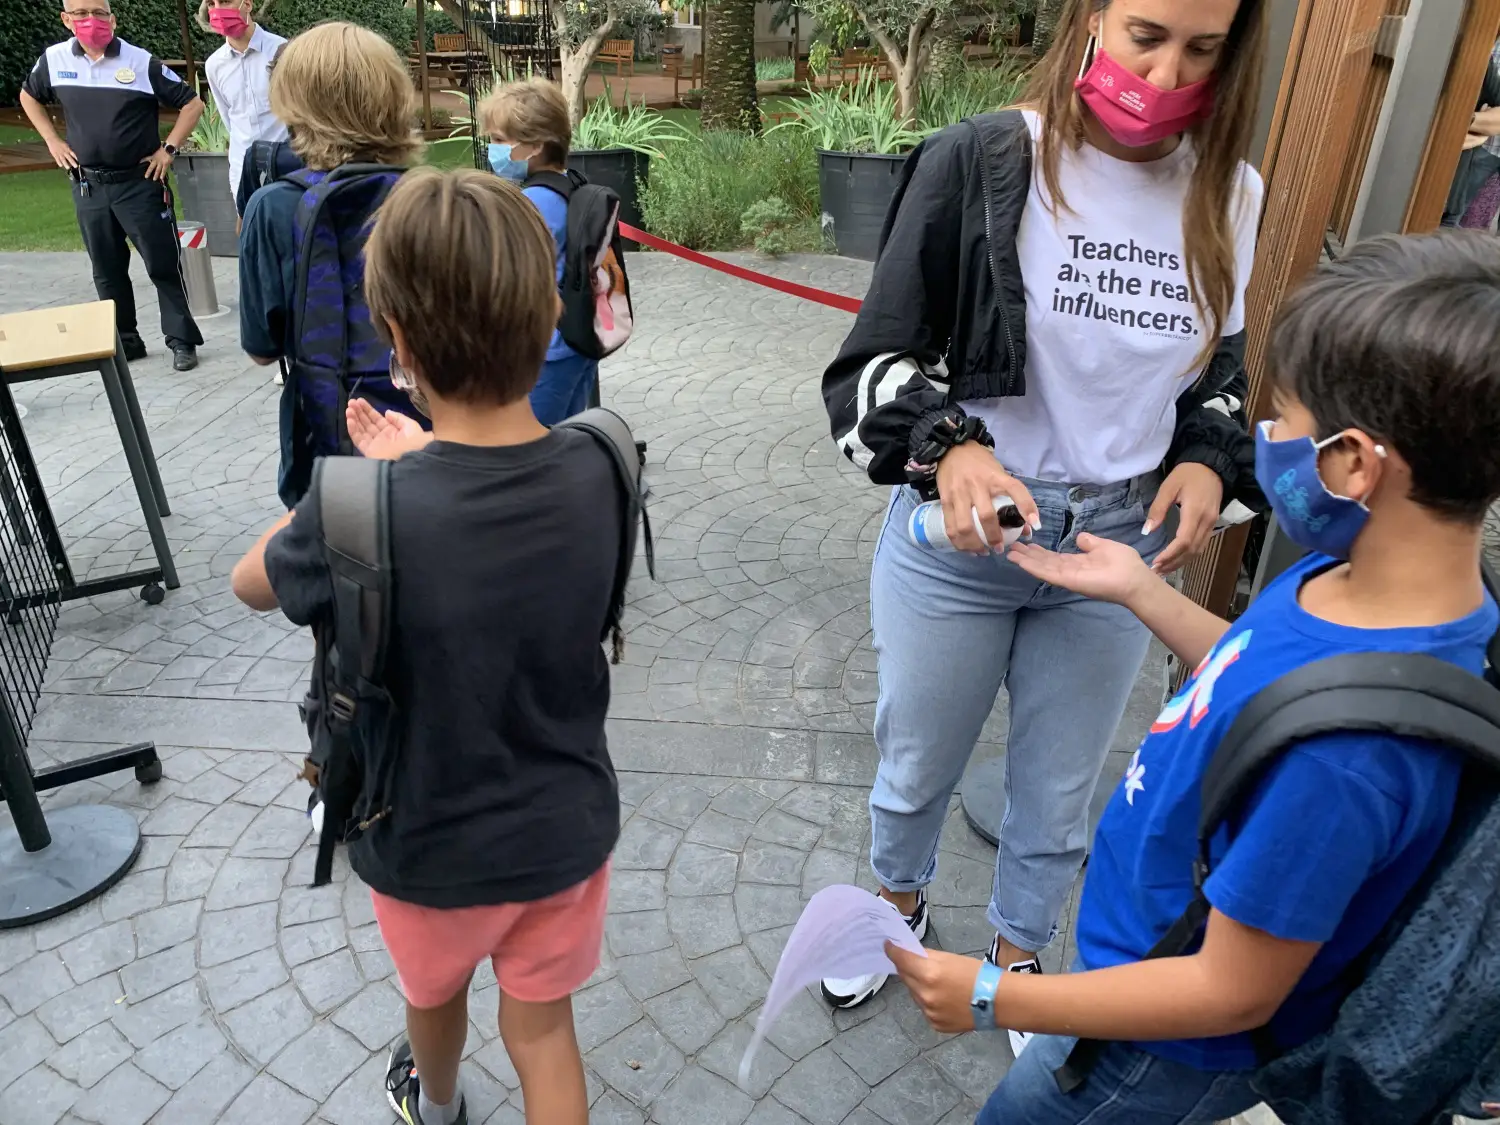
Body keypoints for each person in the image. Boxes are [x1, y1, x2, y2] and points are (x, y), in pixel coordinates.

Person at [886, 229, 1500, 1125]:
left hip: (1147, 1048)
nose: (1261, 439)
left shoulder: (1351, 761)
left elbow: (1228, 991)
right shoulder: (1368, 584)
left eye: (1279, 420)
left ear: (1354, 462)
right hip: (1138, 968)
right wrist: (1142, 591)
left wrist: (994, 996)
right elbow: (1270, 676)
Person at [816, 0, 1266, 1057]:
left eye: (1201, 50)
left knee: (1062, 791)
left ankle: (1020, 964)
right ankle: (895, 911)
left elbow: (1225, 380)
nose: (1163, 73)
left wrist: (1205, 459)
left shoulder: (1229, 193)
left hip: (1118, 552)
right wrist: (953, 443)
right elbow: (866, 369)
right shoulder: (980, 160)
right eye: (1145, 34)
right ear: (1092, 18)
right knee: (916, 761)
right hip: (963, 546)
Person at [229, 168, 623, 1125]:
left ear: (395, 338)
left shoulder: (358, 507)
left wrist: (363, 487)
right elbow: (494, 510)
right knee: (544, 1032)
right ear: (549, 315)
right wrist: (425, 465)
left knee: (433, 998)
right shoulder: (606, 458)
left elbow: (251, 583)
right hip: (563, 826)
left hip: (423, 835)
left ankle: (436, 1104)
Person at [237, 21, 425, 508]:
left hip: (334, 442)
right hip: (439, 432)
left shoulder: (274, 207)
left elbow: (261, 348)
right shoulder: (438, 198)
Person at [19, 0, 206, 371]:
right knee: (106, 268)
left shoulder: (139, 61)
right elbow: (28, 96)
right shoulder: (54, 60)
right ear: (66, 20)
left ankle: (182, 341)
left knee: (162, 264)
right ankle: (125, 341)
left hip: (139, 183)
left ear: (113, 18)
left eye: (99, 13)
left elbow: (192, 104)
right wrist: (53, 142)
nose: (92, 21)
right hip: (88, 185)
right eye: (81, 14)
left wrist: (168, 149)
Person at [478, 79, 598, 424]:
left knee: (535, 442)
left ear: (535, 146)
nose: (493, 149)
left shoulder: (534, 202)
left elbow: (507, 278)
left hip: (546, 350)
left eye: (500, 140)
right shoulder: (572, 184)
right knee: (567, 433)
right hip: (578, 341)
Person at [202, 0, 288, 216]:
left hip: (286, 165)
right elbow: (228, 117)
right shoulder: (214, 65)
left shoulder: (282, 51)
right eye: (211, 3)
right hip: (243, 171)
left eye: (225, 1)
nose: (218, 9)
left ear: (247, 4)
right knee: (250, 240)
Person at [1442, 37, 1500, 228]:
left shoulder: (1480, 51)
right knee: (1467, 219)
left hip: (1477, 145)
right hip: (1483, 150)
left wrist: (1466, 122)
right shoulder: (1485, 45)